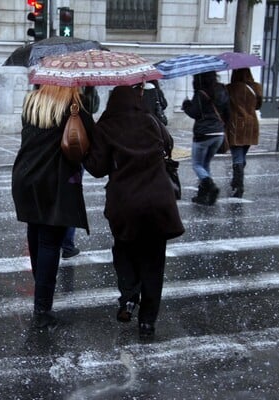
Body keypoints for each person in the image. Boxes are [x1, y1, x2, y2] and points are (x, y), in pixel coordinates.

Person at [83, 85, 184, 339]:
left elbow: (97, 168)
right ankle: (147, 321)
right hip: (158, 201)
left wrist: (85, 148)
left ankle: (128, 298)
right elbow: (169, 145)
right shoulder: (150, 120)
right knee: (153, 263)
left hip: (125, 203)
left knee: (124, 250)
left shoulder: (106, 127)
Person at [12, 84, 94, 329]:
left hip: (25, 177)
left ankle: (41, 295)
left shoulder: (32, 102)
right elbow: (89, 139)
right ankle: (42, 308)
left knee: (36, 234)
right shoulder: (73, 106)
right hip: (54, 181)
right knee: (50, 242)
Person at [61, 86, 99, 260]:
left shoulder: (44, 96)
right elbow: (91, 117)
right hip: (73, 156)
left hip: (52, 159)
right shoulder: (79, 101)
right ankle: (67, 245)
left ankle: (61, 243)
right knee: (70, 200)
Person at [181, 71, 230, 206]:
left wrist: (186, 105)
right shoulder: (222, 89)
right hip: (219, 134)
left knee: (197, 164)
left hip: (203, 135)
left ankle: (211, 187)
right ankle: (203, 195)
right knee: (205, 164)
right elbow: (228, 112)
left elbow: (194, 113)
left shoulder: (200, 93)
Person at [226, 68, 263, 198]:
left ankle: (238, 186)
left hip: (235, 125)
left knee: (237, 156)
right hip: (251, 124)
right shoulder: (256, 87)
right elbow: (258, 106)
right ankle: (236, 181)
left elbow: (226, 106)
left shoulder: (230, 88)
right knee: (242, 155)